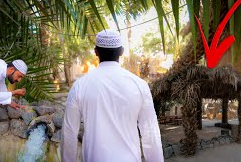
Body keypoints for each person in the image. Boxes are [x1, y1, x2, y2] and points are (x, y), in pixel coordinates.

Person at [61, 29, 164, 162]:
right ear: (121, 51)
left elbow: (69, 133)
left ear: (96, 51)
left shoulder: (80, 86)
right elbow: (150, 132)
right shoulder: (139, 85)